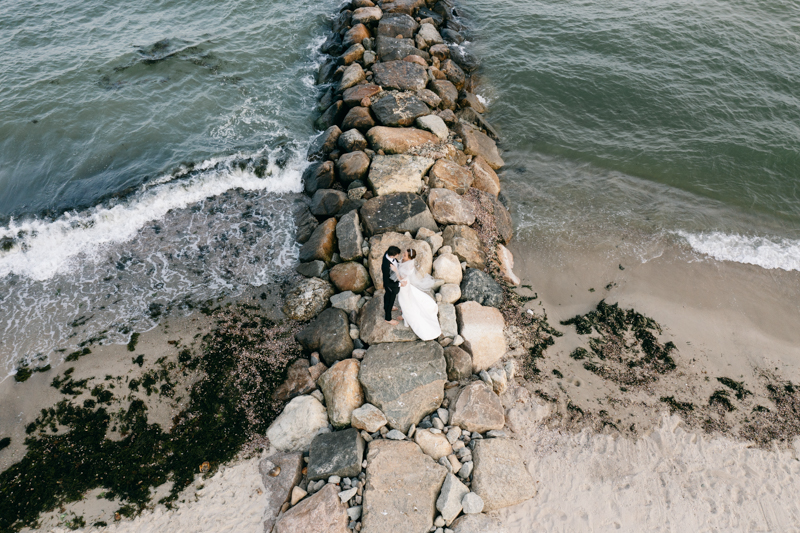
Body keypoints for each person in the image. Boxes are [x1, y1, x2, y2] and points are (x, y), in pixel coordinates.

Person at [391, 248, 441, 341]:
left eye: (405, 255)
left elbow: (401, 277)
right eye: (404, 253)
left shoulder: (409, 266)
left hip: (404, 284)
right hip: (404, 284)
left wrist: (395, 270)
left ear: (410, 258)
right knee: (405, 300)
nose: (403, 255)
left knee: (405, 301)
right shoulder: (404, 260)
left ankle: (406, 318)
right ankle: (404, 314)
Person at [382, 246, 402, 325]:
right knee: (390, 300)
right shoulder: (386, 266)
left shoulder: (387, 253)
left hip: (392, 279)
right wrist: (400, 284)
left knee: (387, 295)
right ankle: (388, 318)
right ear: (393, 255)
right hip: (390, 285)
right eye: (397, 255)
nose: (398, 256)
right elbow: (387, 283)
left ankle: (387, 307)